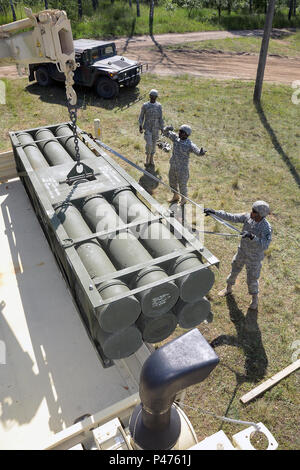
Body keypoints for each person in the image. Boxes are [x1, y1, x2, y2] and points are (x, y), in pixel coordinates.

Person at [204, 201, 272, 310]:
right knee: (234, 269)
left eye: (254, 211)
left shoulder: (266, 228)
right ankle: (228, 288)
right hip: (242, 251)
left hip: (254, 258)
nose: (251, 212)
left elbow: (265, 245)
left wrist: (252, 237)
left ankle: (254, 298)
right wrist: (215, 212)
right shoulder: (248, 217)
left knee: (252, 278)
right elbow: (232, 217)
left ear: (260, 215)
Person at [163, 124, 206, 205]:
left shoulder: (190, 144)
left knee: (182, 185)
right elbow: (165, 133)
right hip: (173, 166)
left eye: (181, 132)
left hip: (182, 169)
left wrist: (201, 152)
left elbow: (197, 152)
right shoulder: (175, 138)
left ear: (186, 134)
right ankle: (175, 196)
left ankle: (183, 199)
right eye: (179, 131)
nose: (179, 133)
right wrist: (167, 128)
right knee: (172, 182)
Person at [139, 89, 164, 167]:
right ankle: (147, 157)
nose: (153, 98)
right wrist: (140, 126)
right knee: (149, 144)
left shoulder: (159, 106)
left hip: (155, 128)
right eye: (151, 96)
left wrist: (162, 128)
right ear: (149, 96)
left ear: (156, 97)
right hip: (148, 128)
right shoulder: (145, 105)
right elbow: (141, 116)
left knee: (153, 144)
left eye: (155, 96)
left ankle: (152, 158)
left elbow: (161, 118)